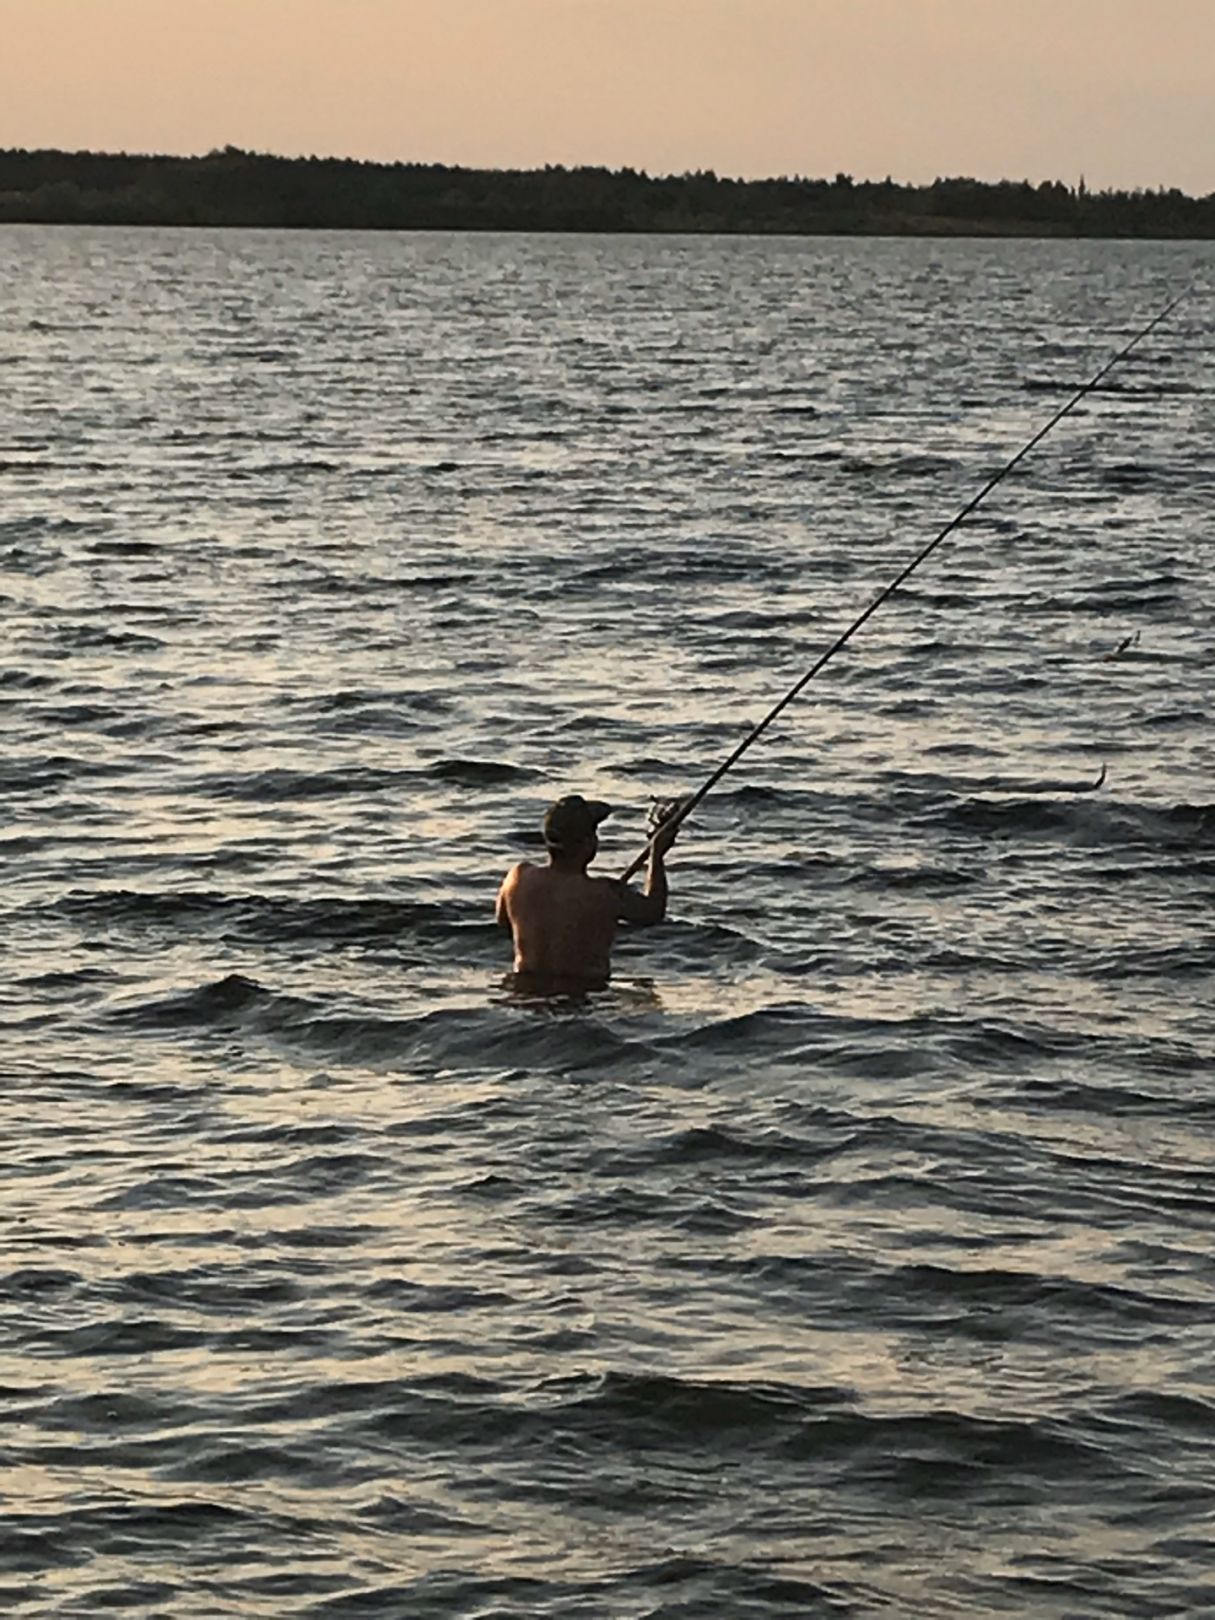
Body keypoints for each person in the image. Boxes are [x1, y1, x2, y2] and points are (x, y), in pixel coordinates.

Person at [496, 793, 680, 993]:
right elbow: (653, 911)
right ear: (588, 843)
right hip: (582, 995)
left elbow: (503, 921)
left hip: (525, 993)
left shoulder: (517, 878)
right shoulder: (605, 893)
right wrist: (657, 855)